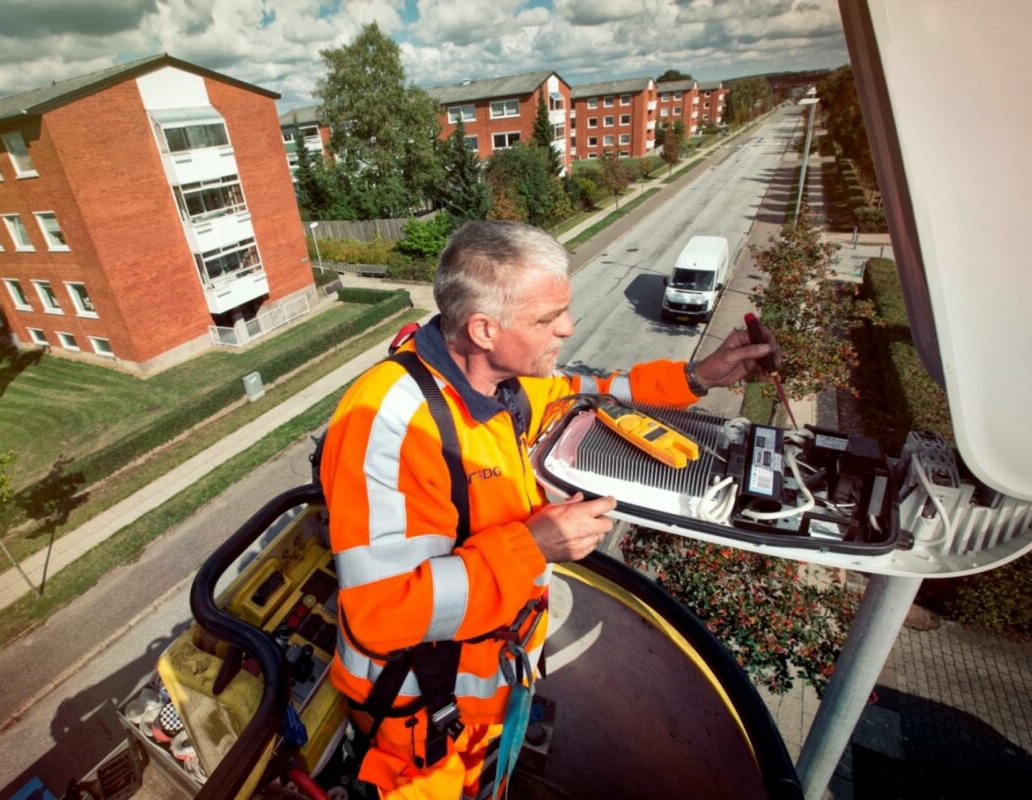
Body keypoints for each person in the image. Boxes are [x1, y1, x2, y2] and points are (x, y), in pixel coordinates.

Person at [320, 220, 779, 799]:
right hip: (420, 735)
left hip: (491, 704)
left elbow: (594, 394)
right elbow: (378, 614)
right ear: (483, 329)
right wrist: (533, 545)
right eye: (545, 319)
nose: (567, 327)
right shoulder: (390, 423)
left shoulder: (506, 386)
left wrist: (694, 377)